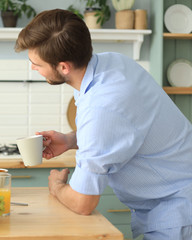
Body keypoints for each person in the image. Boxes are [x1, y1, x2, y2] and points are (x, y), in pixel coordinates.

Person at [15, 9, 192, 240]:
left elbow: (83, 202)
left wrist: (57, 187)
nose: (33, 68)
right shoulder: (112, 63)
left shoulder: (102, 107)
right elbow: (125, 131)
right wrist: (70, 140)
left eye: (36, 63)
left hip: (178, 210)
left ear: (63, 67)